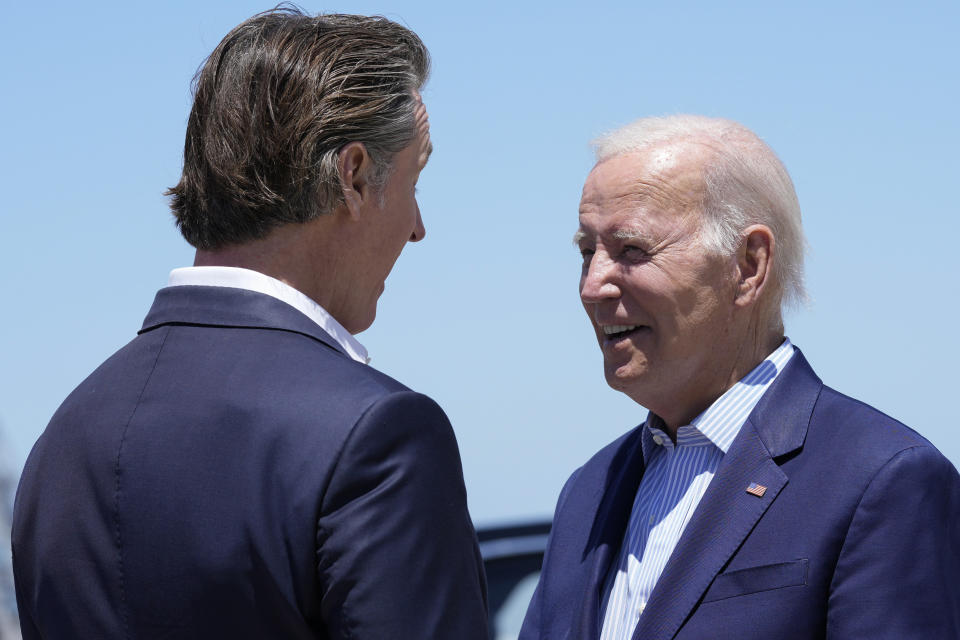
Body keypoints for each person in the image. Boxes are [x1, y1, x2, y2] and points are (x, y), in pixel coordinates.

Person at [12, 8, 488, 638]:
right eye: (414, 180)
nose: (417, 227)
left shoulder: (66, 436)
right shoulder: (376, 435)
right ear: (352, 175)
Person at [520, 115, 960, 639]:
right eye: (587, 252)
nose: (593, 287)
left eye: (632, 250)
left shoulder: (882, 479)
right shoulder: (589, 489)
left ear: (748, 265)